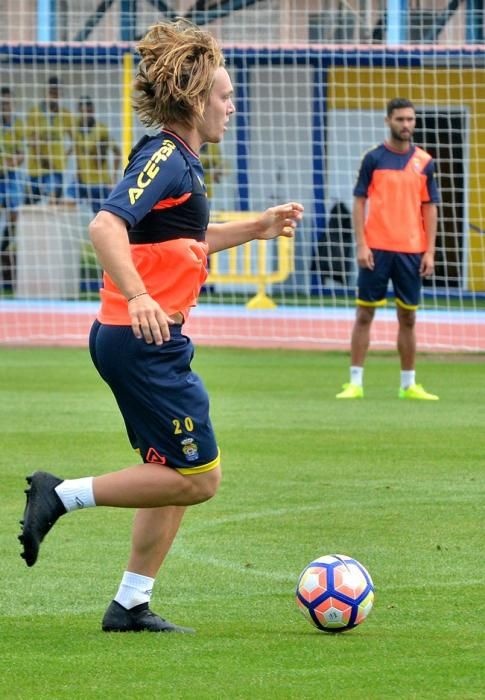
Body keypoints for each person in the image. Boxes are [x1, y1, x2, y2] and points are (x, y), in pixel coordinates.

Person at [18, 19, 303, 633]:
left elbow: (185, 240)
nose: (233, 106)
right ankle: (59, 494)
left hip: (148, 341)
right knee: (200, 479)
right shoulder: (167, 157)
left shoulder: (184, 164)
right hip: (140, 339)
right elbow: (105, 226)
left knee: (171, 474)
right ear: (197, 101)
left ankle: (130, 604)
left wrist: (255, 227)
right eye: (225, 96)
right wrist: (140, 295)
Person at [336, 97, 439, 400]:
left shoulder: (425, 162)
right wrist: (361, 243)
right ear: (388, 121)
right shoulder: (373, 159)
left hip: (411, 251)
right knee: (364, 314)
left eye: (410, 119)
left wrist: (430, 251)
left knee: (408, 318)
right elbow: (359, 201)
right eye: (400, 119)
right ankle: (355, 383)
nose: (406, 125)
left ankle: (408, 385)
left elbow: (430, 207)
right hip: (376, 250)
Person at [67, 96, 122, 213]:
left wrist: (113, 178)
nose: (86, 115)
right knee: (67, 201)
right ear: (79, 112)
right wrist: (78, 170)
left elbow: (117, 153)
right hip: (81, 181)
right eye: (83, 112)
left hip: (100, 183)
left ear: (93, 111)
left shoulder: (101, 130)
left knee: (100, 217)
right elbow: (77, 149)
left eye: (88, 111)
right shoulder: (75, 128)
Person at [24, 75, 74, 203]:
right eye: (51, 92)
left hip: (56, 169)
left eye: (57, 93)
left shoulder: (66, 114)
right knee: (29, 206)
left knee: (54, 206)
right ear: (46, 92)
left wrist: (64, 156)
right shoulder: (34, 113)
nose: (54, 96)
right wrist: (44, 159)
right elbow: (31, 141)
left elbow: (75, 139)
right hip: (36, 169)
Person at [0, 86, 24, 291]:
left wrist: (11, 162)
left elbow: (21, 154)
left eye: (7, 102)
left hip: (11, 176)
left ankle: (5, 250)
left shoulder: (17, 124)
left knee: (14, 217)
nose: (5, 106)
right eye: (2, 103)